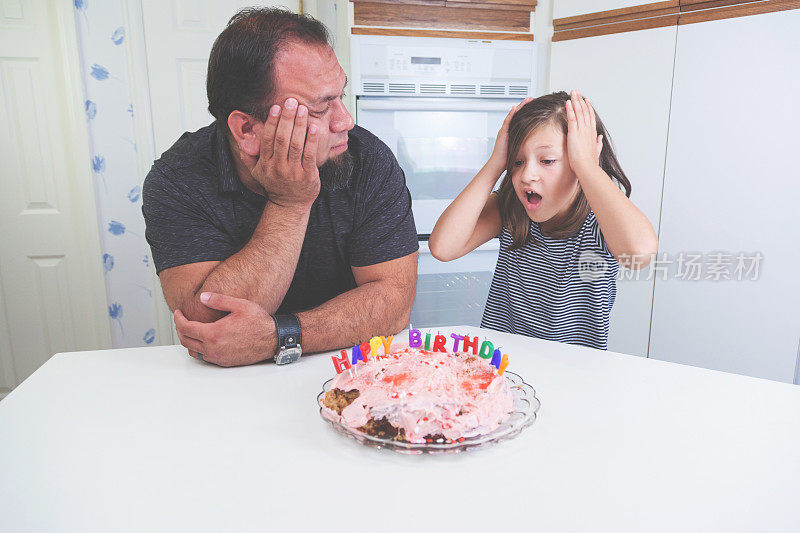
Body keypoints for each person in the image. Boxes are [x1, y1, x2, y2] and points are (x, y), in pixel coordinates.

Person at [142, 8, 418, 367]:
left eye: (341, 94)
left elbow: (394, 302)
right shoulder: (177, 180)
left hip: (348, 366)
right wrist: (290, 204)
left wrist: (281, 336)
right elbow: (208, 322)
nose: (346, 120)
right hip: (225, 381)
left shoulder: (367, 159)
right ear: (247, 130)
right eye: (319, 109)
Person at [429, 90, 658, 350]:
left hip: (572, 371)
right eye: (517, 161)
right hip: (505, 363)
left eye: (547, 160)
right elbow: (443, 248)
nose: (527, 175)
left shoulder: (598, 220)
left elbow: (640, 254)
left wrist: (587, 166)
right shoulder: (510, 209)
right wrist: (495, 164)